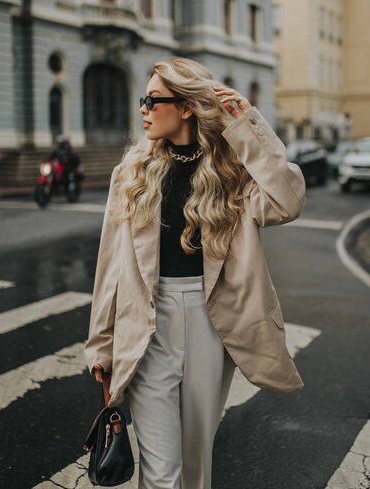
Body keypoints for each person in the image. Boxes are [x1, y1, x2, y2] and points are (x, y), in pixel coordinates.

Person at [84, 57, 306, 489]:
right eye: (142, 99)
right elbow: (109, 263)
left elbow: (288, 201)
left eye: (153, 99)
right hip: (146, 321)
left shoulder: (232, 171)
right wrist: (102, 345)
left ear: (186, 107)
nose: (144, 108)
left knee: (195, 460)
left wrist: (250, 125)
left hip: (211, 316)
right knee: (161, 467)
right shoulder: (130, 173)